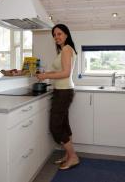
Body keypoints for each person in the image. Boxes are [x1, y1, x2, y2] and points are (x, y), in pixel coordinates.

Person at [36, 24, 79, 170]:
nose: (56, 37)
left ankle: (73, 156)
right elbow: (61, 71)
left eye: (59, 34)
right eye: (54, 35)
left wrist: (46, 75)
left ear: (66, 34)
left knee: (55, 126)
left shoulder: (66, 49)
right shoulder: (65, 50)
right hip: (62, 90)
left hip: (64, 91)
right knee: (64, 124)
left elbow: (66, 73)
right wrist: (46, 73)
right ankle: (68, 155)